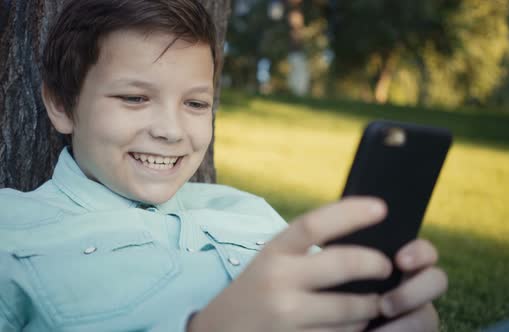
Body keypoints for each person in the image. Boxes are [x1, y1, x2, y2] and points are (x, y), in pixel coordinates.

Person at [0, 0, 448, 331]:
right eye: (135, 98)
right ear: (61, 104)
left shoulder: (243, 210)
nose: (172, 131)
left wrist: (385, 313)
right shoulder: (13, 230)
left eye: (196, 103)